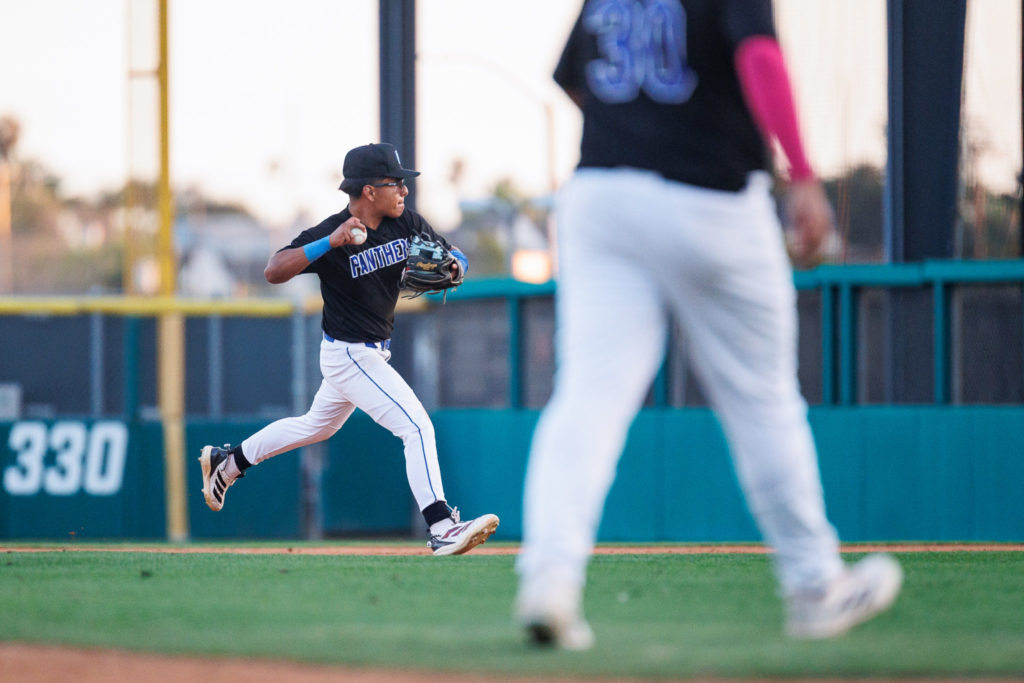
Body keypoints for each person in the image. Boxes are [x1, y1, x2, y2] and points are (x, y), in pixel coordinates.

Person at [515, 0, 902, 649]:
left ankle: (549, 581)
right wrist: (803, 176)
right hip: (711, 198)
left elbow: (574, 78)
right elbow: (759, 56)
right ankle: (814, 586)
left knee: (588, 397)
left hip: (601, 196)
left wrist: (639, 133)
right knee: (763, 401)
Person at [199, 142, 499, 556]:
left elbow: (455, 254)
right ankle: (441, 525)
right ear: (369, 190)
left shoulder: (406, 222)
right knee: (415, 427)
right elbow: (273, 270)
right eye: (396, 183)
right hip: (348, 353)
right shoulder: (332, 230)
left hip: (371, 352)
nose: (405, 191)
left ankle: (228, 462)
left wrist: (455, 266)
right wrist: (330, 244)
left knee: (315, 426)